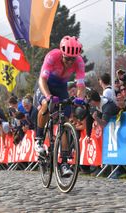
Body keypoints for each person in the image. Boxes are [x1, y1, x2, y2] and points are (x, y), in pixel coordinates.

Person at [34, 35, 86, 177]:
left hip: (61, 87)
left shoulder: (79, 62)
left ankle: (64, 162)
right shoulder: (52, 56)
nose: (70, 62)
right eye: (67, 58)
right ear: (62, 54)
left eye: (73, 59)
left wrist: (80, 99)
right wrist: (48, 96)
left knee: (65, 121)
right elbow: (42, 80)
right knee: (46, 104)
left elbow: (81, 85)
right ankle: (38, 140)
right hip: (46, 85)